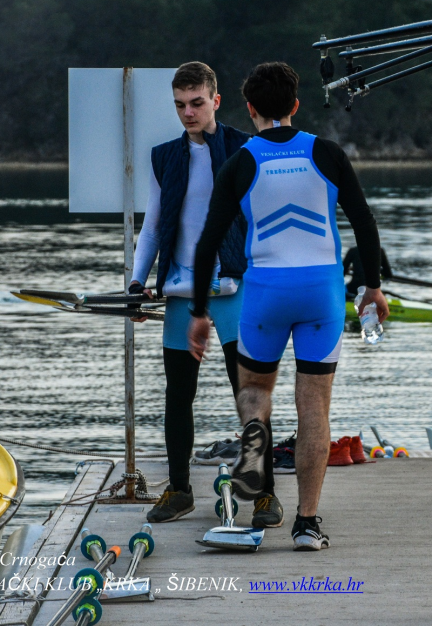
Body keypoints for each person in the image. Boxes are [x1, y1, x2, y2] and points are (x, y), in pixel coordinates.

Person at [188, 62, 389, 551]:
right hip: (321, 290)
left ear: (250, 109)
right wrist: (371, 287)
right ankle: (308, 522)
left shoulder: (239, 162)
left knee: (256, 390)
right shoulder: (327, 152)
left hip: (265, 290)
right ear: (296, 106)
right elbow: (363, 223)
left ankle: (255, 435)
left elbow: (209, 240)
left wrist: (198, 310)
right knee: (314, 406)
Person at [128, 62, 279, 525]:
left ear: (215, 100)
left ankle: (264, 495)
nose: (188, 113)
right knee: (179, 394)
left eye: (196, 103)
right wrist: (137, 282)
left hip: (235, 285)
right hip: (180, 286)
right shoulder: (164, 157)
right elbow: (153, 226)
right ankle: (178, 490)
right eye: (180, 105)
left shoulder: (245, 148)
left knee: (248, 393)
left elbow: (264, 221)